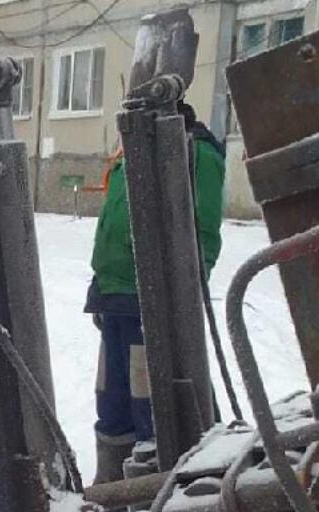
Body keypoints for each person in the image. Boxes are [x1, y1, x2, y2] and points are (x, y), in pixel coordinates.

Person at [85, 100, 226, 484]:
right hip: (115, 295)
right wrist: (99, 285)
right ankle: (113, 477)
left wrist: (186, 289)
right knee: (111, 393)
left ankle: (151, 484)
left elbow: (205, 229)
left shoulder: (194, 152)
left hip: (151, 296)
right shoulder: (130, 152)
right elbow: (112, 223)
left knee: (149, 395)